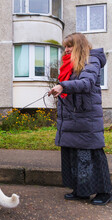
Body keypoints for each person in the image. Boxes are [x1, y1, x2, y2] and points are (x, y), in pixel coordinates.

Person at [48, 32, 112, 205]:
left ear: (80, 46)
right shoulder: (69, 65)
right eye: (65, 47)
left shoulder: (92, 60)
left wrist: (63, 86)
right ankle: (81, 191)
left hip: (86, 118)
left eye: (70, 46)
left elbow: (86, 83)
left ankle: (105, 192)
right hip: (72, 117)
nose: (66, 50)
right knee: (75, 156)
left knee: (91, 156)